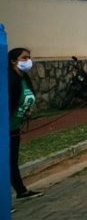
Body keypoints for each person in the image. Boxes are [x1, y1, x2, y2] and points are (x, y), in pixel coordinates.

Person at [8, 48, 44, 202]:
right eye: (24, 58)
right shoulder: (9, 80)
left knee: (12, 162)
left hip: (15, 127)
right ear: (13, 61)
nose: (28, 60)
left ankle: (21, 191)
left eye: (29, 57)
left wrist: (25, 112)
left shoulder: (24, 78)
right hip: (5, 128)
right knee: (6, 163)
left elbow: (23, 100)